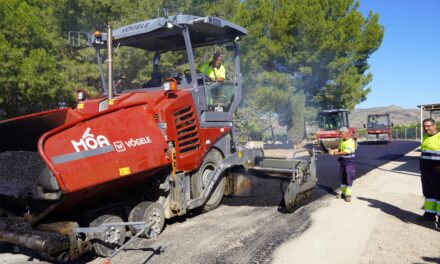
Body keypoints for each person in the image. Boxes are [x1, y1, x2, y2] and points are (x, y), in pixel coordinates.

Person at [419, 118, 440, 225]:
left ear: (434, 125)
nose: (426, 128)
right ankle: (429, 215)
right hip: (425, 170)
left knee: (439, 194)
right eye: (424, 126)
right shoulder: (425, 137)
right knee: (428, 193)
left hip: (437, 170)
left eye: (428, 126)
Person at [328, 127, 356, 202]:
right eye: (339, 133)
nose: (340, 135)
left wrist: (334, 153)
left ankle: (348, 195)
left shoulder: (350, 142)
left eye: (341, 134)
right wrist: (333, 150)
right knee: (342, 178)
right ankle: (343, 193)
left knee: (348, 177)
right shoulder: (342, 141)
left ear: (347, 133)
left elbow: (346, 152)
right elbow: (340, 149)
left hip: (349, 163)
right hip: (343, 162)